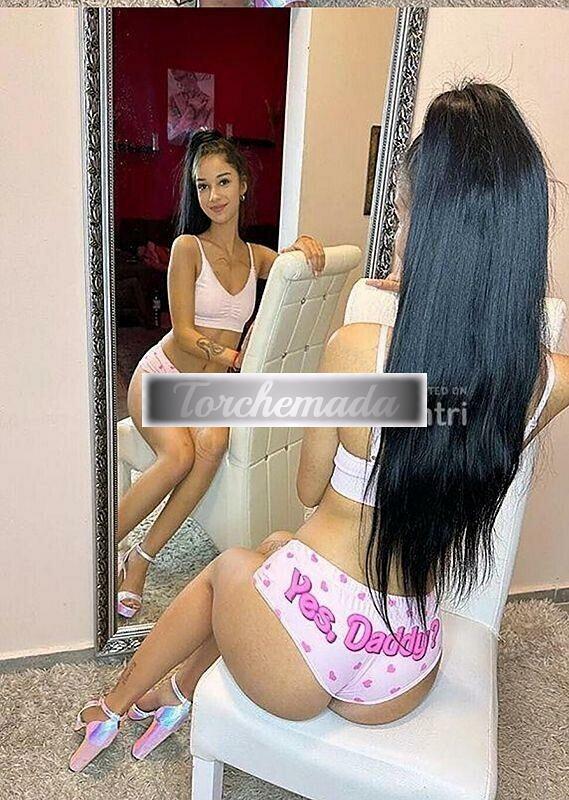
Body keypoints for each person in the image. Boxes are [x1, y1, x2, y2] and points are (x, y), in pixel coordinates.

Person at [70, 81, 569, 772]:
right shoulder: (545, 378)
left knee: (228, 571)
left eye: (402, 217)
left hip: (312, 654)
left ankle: (116, 702)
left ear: (431, 232)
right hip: (405, 660)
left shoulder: (360, 352)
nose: (397, 235)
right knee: (276, 550)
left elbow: (310, 490)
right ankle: (176, 694)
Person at [116, 129, 325, 619]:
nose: (213, 195)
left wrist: (304, 244)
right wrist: (236, 359)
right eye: (203, 185)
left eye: (223, 182)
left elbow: (293, 267)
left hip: (208, 389)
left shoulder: (256, 257)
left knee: (212, 443)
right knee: (178, 456)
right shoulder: (188, 247)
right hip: (162, 376)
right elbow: (185, 334)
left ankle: (140, 559)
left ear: (243, 185)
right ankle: (98, 549)